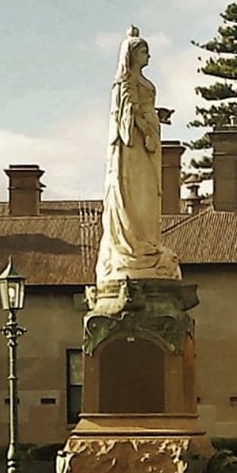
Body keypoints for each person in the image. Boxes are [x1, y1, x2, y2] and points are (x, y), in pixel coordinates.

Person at [96, 26, 181, 285]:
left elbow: (143, 107)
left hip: (148, 147)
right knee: (135, 195)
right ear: (131, 54)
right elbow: (126, 113)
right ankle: (133, 247)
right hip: (133, 148)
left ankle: (146, 242)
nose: (149, 56)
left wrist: (157, 118)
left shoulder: (139, 82)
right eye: (144, 51)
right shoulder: (125, 82)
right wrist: (146, 129)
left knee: (148, 196)